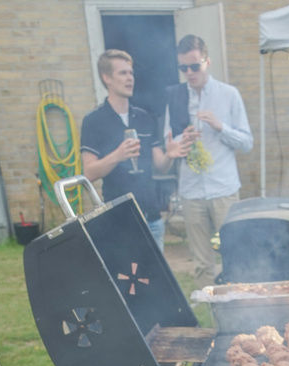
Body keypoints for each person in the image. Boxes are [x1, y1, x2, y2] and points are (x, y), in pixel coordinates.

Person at [164, 34, 253, 286]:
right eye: (183, 68)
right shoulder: (175, 96)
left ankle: (238, 303)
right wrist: (180, 142)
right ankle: (208, 307)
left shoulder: (229, 94)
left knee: (234, 254)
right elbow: (168, 141)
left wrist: (220, 127)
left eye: (195, 66)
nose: (189, 73)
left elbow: (247, 143)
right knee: (202, 263)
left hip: (223, 188)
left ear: (207, 62)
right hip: (191, 190)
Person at [81, 49, 189, 251]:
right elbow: (89, 173)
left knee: (157, 273)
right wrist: (117, 156)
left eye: (131, 73)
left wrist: (170, 155)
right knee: (126, 272)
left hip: (152, 219)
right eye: (123, 73)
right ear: (106, 78)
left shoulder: (145, 118)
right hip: (119, 221)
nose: (130, 78)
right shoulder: (93, 121)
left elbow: (160, 166)